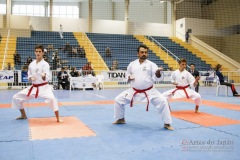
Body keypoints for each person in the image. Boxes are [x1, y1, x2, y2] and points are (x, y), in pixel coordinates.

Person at [113, 44, 173, 130]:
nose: (144, 54)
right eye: (142, 52)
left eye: (146, 52)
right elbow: (127, 74)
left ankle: (167, 123)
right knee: (118, 100)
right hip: (133, 91)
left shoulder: (152, 65)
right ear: (138, 53)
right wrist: (129, 77)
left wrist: (158, 73)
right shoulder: (132, 64)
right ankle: (120, 119)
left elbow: (157, 78)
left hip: (149, 91)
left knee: (163, 101)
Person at [12, 44, 62, 122]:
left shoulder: (45, 64)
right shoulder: (32, 64)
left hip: (44, 87)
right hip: (34, 87)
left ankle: (58, 118)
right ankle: (23, 115)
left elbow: (47, 77)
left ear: (42, 53)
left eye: (40, 51)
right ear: (34, 52)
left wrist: (43, 76)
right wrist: (30, 78)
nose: (38, 53)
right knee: (16, 97)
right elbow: (29, 74)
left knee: (52, 99)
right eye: (36, 51)